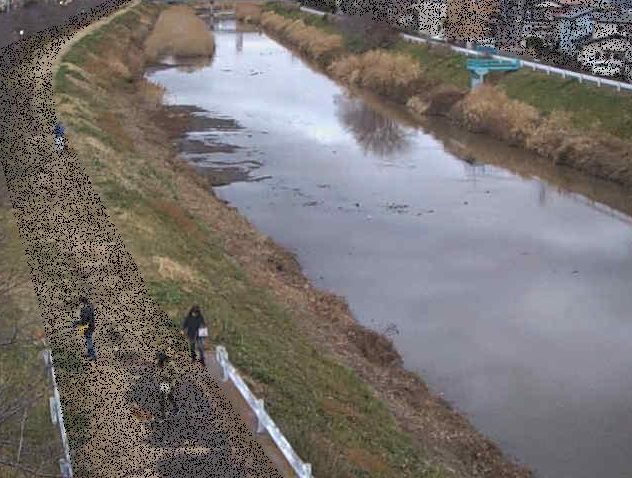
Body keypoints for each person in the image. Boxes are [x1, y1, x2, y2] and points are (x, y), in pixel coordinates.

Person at [155, 350, 178, 419]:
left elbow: (176, 374)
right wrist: (157, 379)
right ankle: (164, 414)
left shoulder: (170, 363)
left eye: (160, 356)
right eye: (158, 356)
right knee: (165, 399)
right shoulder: (158, 363)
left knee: (167, 398)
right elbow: (157, 372)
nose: (159, 358)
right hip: (162, 383)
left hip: (169, 383)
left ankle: (173, 409)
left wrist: (168, 377)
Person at [72, 297, 97, 361]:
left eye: (80, 303)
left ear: (82, 303)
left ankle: (93, 355)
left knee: (89, 341)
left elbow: (84, 321)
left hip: (88, 327)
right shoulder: (90, 307)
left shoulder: (85, 309)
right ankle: (89, 353)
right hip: (91, 326)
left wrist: (76, 323)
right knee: (88, 340)